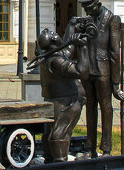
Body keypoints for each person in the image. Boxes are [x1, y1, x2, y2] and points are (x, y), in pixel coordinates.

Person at [63, 0, 124, 156]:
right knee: (90, 107)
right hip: (87, 70)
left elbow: (115, 52)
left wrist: (116, 85)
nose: (86, 12)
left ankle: (106, 148)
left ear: (97, 4)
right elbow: (72, 46)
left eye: (89, 8)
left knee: (106, 107)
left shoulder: (112, 20)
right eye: (84, 8)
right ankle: (90, 147)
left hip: (103, 71)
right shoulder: (86, 21)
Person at [31, 29, 86, 161]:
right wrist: (83, 48)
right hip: (65, 103)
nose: (57, 33)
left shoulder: (48, 57)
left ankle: (50, 158)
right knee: (61, 131)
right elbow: (80, 70)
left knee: (51, 130)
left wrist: (72, 27)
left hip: (55, 100)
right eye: (54, 33)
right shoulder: (56, 61)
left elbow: (66, 51)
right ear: (54, 40)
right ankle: (60, 161)